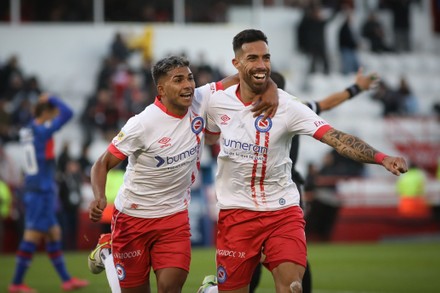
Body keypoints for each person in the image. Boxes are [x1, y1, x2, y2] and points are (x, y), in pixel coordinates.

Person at [201, 29, 407, 293]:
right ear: (236, 64)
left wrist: (382, 157)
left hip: (282, 210)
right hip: (237, 213)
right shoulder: (216, 101)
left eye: (266, 57)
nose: (262, 64)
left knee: (292, 287)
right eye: (252, 58)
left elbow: (336, 138)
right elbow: (203, 129)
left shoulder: (290, 106)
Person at [87, 55, 278, 293]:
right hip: (133, 219)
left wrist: (271, 88)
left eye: (189, 78)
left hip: (174, 218)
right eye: (178, 80)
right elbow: (102, 163)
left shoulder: (199, 98)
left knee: (170, 288)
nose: (188, 85)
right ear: (161, 89)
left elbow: (244, 78)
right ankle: (108, 251)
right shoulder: (142, 124)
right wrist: (99, 197)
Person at [249, 67, 378, 293]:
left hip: (267, 190)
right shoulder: (297, 109)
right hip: (286, 189)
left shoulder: (267, 111)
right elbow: (326, 103)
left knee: (257, 252)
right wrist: (356, 88)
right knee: (293, 252)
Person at [9, 94, 89, 293]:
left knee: (54, 233)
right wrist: (52, 98)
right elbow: (69, 113)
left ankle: (66, 280)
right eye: (52, 112)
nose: (55, 116)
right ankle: (16, 283)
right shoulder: (42, 130)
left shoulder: (27, 129)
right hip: (40, 190)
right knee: (32, 235)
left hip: (34, 186)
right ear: (46, 112)